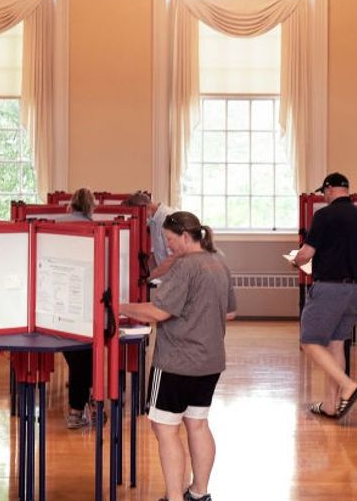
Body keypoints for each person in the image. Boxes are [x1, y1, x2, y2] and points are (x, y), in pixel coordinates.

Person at [119, 211, 236, 501]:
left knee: (165, 428)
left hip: (176, 363)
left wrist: (121, 307)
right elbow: (230, 312)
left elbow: (160, 311)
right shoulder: (219, 260)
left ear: (185, 236)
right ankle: (199, 493)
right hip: (210, 361)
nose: (168, 247)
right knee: (197, 423)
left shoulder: (186, 266)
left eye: (170, 240)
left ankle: (173, 497)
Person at [290, 172, 357, 419]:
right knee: (336, 343)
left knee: (309, 341)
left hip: (329, 288)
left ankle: (347, 385)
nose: (324, 197)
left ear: (330, 190)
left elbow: (307, 253)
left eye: (324, 192)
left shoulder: (324, 216)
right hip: (355, 288)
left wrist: (295, 260)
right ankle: (330, 405)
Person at [54, 188, 99, 429]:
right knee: (84, 355)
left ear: (70, 205)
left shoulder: (54, 225)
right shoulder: (95, 229)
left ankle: (84, 405)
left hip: (57, 304)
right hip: (84, 303)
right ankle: (82, 408)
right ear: (91, 208)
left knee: (78, 357)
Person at [123, 190, 174, 277]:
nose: (139, 219)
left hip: (177, 277)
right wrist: (143, 274)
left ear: (146, 208)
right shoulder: (153, 221)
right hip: (167, 277)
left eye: (138, 215)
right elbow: (156, 255)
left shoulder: (166, 219)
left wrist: (150, 277)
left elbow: (174, 258)